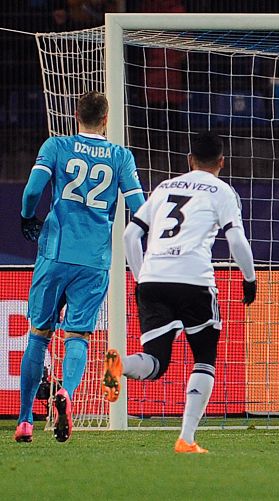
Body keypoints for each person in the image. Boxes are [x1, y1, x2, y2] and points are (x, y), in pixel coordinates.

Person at [102, 130, 257, 454]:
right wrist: (249, 278)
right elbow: (236, 240)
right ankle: (186, 438)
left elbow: (130, 235)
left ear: (189, 160)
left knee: (156, 362)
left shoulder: (164, 188)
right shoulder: (222, 191)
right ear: (222, 162)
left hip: (153, 280)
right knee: (204, 358)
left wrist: (141, 278)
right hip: (194, 281)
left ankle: (122, 365)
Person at [15, 91, 145, 443]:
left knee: (38, 335)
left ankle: (25, 421)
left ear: (76, 115)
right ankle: (67, 394)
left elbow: (32, 191)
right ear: (106, 119)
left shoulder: (56, 146)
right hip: (94, 260)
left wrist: (27, 216)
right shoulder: (120, 156)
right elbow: (138, 205)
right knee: (78, 336)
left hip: (55, 253)